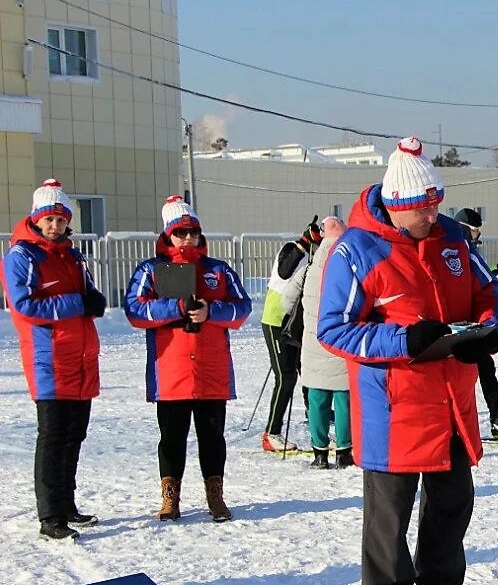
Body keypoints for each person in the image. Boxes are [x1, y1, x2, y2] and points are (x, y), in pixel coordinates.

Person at [317, 137, 498, 585]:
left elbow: (487, 294)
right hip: (393, 409)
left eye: (434, 203)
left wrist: (489, 330)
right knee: (388, 519)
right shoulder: (356, 249)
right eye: (420, 208)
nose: (431, 214)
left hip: (449, 403)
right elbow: (333, 330)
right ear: (396, 206)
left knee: (451, 509)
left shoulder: (454, 240)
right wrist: (404, 341)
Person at [124, 195, 252, 522]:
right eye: (181, 233)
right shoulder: (152, 270)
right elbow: (135, 311)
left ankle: (215, 497)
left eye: (193, 232)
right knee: (171, 438)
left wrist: (212, 311)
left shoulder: (217, 270)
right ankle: (171, 498)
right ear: (168, 235)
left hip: (211, 370)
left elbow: (243, 308)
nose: (188, 239)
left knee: (212, 438)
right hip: (171, 372)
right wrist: (176, 308)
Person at [3, 179, 105, 540]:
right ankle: (49, 516)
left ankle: (66, 505)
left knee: (75, 434)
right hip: (49, 359)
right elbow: (24, 305)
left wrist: (94, 299)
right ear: (36, 219)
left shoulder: (72, 255)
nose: (55, 226)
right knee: (53, 436)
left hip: (80, 356)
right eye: (49, 219)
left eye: (61, 220)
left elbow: (86, 290)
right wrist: (79, 303)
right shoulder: (22, 256)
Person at [456, 207, 498, 439]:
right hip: (458, 324)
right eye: (475, 232)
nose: (478, 237)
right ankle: (458, 425)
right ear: (466, 230)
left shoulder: (469, 249)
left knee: (486, 369)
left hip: (475, 322)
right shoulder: (454, 249)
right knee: (461, 377)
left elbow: (481, 277)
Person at [259, 215, 323, 453]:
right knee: (286, 378)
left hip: (296, 323)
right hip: (276, 321)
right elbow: (285, 272)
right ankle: (271, 433)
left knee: (307, 373)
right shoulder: (292, 249)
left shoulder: (313, 258)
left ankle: (317, 424)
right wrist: (303, 242)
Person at [300, 215, 354, 470]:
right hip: (341, 340)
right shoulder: (347, 261)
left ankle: (319, 453)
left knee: (317, 398)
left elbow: (292, 295)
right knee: (344, 398)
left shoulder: (312, 265)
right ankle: (344, 451)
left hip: (313, 340)